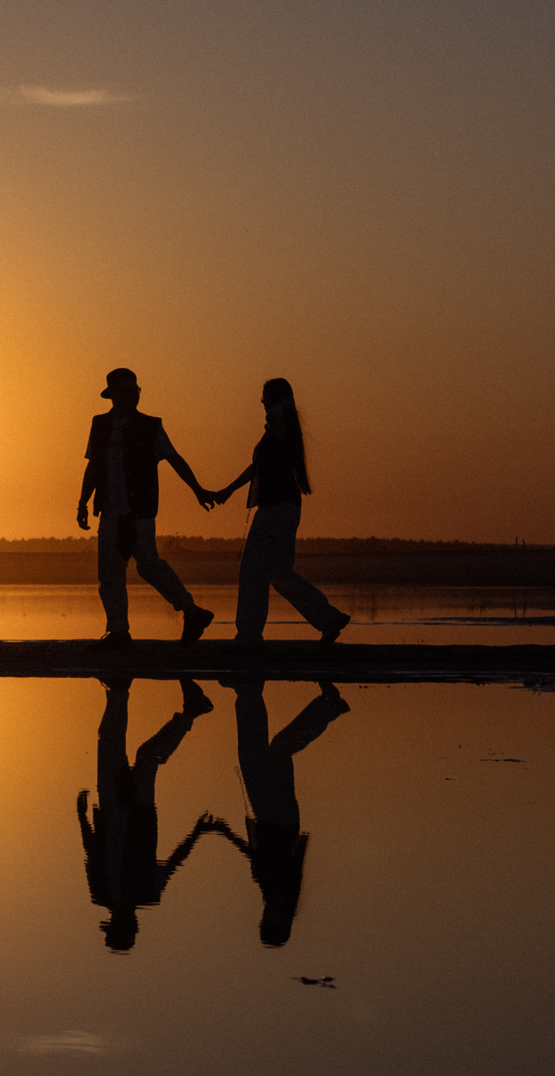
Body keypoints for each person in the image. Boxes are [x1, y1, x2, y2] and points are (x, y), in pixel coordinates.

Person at [75, 368, 219, 643]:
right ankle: (118, 630)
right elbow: (93, 465)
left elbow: (174, 458)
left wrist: (197, 489)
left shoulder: (149, 426)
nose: (134, 395)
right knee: (109, 573)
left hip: (139, 511)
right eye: (127, 390)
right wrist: (82, 503)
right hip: (109, 510)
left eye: (136, 390)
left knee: (148, 565)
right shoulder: (100, 424)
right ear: (113, 395)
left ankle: (191, 611)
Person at [76, 677, 217, 951]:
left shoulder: (101, 893)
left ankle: (119, 689)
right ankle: (188, 712)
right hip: (138, 810)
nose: (121, 922)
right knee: (146, 756)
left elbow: (93, 852)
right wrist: (198, 832)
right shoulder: (146, 893)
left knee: (110, 743)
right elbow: (174, 860)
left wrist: (82, 817)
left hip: (111, 807)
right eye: (121, 928)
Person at [205, 679, 348, 946]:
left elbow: (255, 853)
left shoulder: (272, 890)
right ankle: (250, 692)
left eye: (264, 921)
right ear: (278, 920)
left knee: (276, 749)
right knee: (266, 751)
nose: (265, 916)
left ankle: (255, 693)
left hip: (274, 817)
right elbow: (269, 858)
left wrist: (225, 833)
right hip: (276, 817)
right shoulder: (281, 891)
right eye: (269, 921)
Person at [211, 378, 349, 643]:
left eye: (265, 399)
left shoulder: (280, 427)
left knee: (252, 572)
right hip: (287, 509)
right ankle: (328, 618)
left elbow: (275, 421)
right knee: (280, 574)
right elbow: (257, 468)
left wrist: (280, 408)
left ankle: (248, 636)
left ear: (275, 401)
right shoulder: (280, 431)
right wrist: (229, 490)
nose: (262, 404)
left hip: (274, 513)